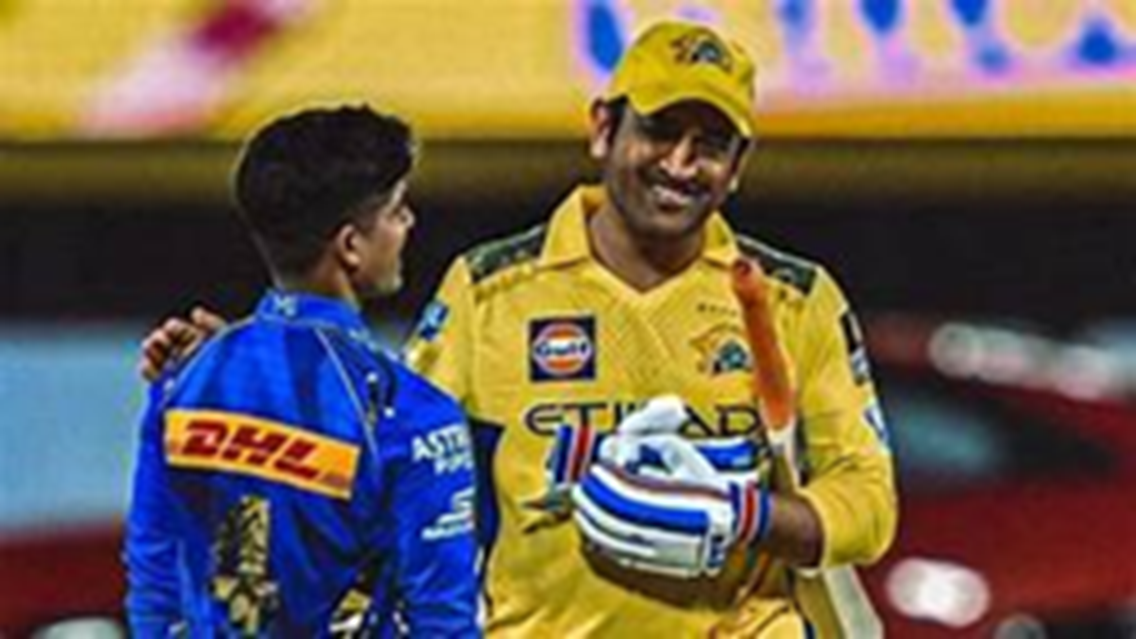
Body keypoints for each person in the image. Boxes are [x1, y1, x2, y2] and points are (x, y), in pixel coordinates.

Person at [141, 21, 897, 638]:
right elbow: (382, 465)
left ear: (738, 165)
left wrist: (742, 515)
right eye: (660, 130)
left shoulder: (793, 300)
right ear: (603, 129)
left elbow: (869, 504)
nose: (680, 163)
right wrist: (255, 367)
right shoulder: (490, 291)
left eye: (711, 145)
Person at [125, 105, 480, 637]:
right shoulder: (410, 413)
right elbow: (443, 618)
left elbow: (155, 571)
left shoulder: (186, 376)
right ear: (351, 247)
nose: (409, 223)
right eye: (396, 211)